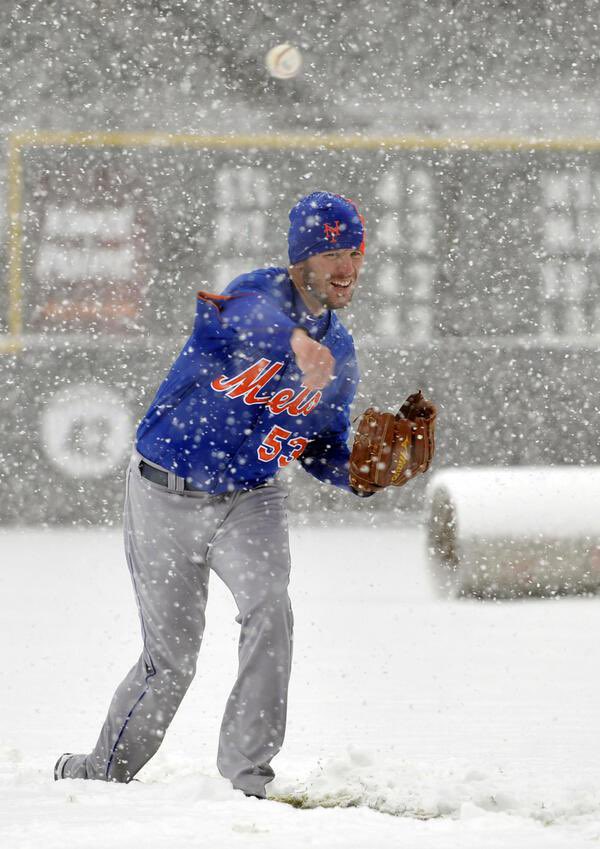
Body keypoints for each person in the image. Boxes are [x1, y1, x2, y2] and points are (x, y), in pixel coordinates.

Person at [54, 190, 370, 799]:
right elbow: (246, 317)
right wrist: (295, 343)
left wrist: (361, 473)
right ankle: (102, 770)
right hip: (164, 494)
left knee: (270, 612)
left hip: (253, 499)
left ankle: (247, 778)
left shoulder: (341, 352)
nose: (347, 266)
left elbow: (320, 445)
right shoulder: (254, 297)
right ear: (301, 259)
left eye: (354, 251)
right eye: (332, 251)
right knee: (171, 662)